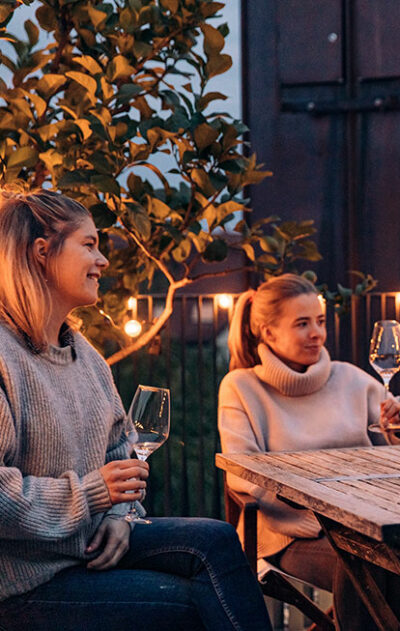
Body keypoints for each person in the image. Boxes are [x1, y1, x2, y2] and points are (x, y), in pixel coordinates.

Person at [0, 189, 272, 631]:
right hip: (24, 582)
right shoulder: (4, 356)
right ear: (41, 254)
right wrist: (90, 495)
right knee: (190, 607)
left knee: (218, 539)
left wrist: (120, 516)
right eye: (88, 245)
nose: (103, 260)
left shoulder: (84, 356)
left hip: (86, 545)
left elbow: (119, 457)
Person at [219, 273, 400, 630]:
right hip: (289, 534)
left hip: (370, 524)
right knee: (373, 560)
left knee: (393, 553)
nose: (317, 333)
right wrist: (305, 500)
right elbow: (239, 471)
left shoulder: (349, 378)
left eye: (319, 321)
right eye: (302, 324)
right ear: (268, 332)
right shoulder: (242, 387)